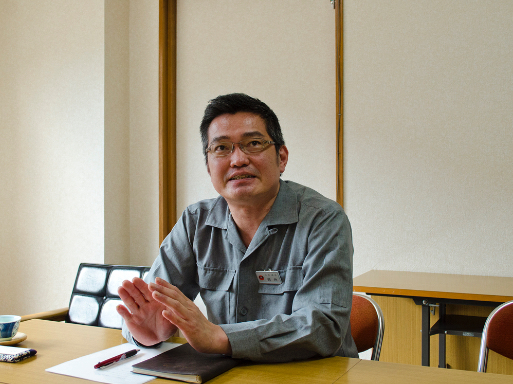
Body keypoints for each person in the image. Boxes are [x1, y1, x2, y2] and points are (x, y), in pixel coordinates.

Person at [117, 93, 358, 362]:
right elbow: (147, 311)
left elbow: (322, 327)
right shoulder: (195, 222)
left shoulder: (322, 219)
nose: (238, 160)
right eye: (221, 148)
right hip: (229, 375)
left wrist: (220, 337)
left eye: (253, 143)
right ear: (208, 167)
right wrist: (150, 333)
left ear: (281, 157)